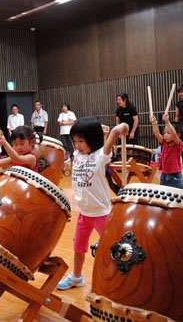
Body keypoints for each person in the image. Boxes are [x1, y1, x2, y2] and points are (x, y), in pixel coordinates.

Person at [57, 118, 129, 290]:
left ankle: (118, 278)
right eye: (75, 141)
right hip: (83, 213)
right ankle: (76, 276)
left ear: (92, 140)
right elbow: (89, 137)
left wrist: (121, 128)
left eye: (81, 141)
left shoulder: (101, 155)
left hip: (101, 214)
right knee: (78, 247)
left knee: (112, 247)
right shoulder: (77, 155)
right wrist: (97, 131)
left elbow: (118, 131)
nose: (78, 145)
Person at [150, 113, 183, 189]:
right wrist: (154, 123)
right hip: (164, 175)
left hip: (175, 176)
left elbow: (174, 134)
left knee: (180, 195)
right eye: (165, 133)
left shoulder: (178, 144)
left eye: (168, 133)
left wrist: (167, 122)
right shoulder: (164, 143)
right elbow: (157, 133)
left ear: (178, 135)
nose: (165, 135)